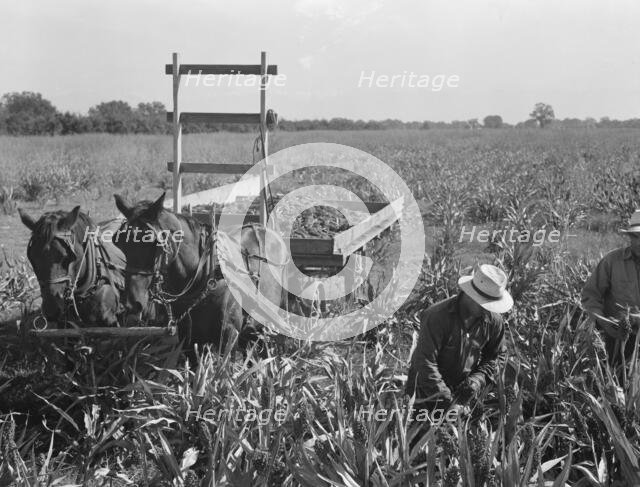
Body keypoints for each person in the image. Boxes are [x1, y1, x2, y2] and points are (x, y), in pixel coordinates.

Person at [405, 264, 511, 429]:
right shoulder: (437, 316)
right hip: (425, 394)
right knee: (418, 444)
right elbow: (424, 363)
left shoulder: (493, 321)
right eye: (484, 304)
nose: (487, 311)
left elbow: (497, 356)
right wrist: (447, 401)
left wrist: (477, 380)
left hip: (462, 394)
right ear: (470, 295)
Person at [581, 209, 640, 368]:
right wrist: (604, 322)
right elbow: (590, 296)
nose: (639, 242)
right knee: (619, 382)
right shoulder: (612, 261)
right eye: (635, 237)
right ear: (629, 237)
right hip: (618, 340)